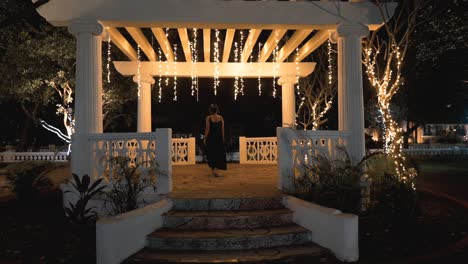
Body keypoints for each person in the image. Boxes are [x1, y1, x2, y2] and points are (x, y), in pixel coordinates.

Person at [203, 104, 227, 177]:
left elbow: (207, 129)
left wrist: (204, 138)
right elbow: (222, 130)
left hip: (211, 139)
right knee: (218, 154)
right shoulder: (221, 118)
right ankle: (215, 171)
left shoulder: (208, 118)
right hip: (219, 138)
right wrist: (222, 139)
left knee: (211, 154)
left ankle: (213, 171)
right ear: (217, 110)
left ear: (210, 110)